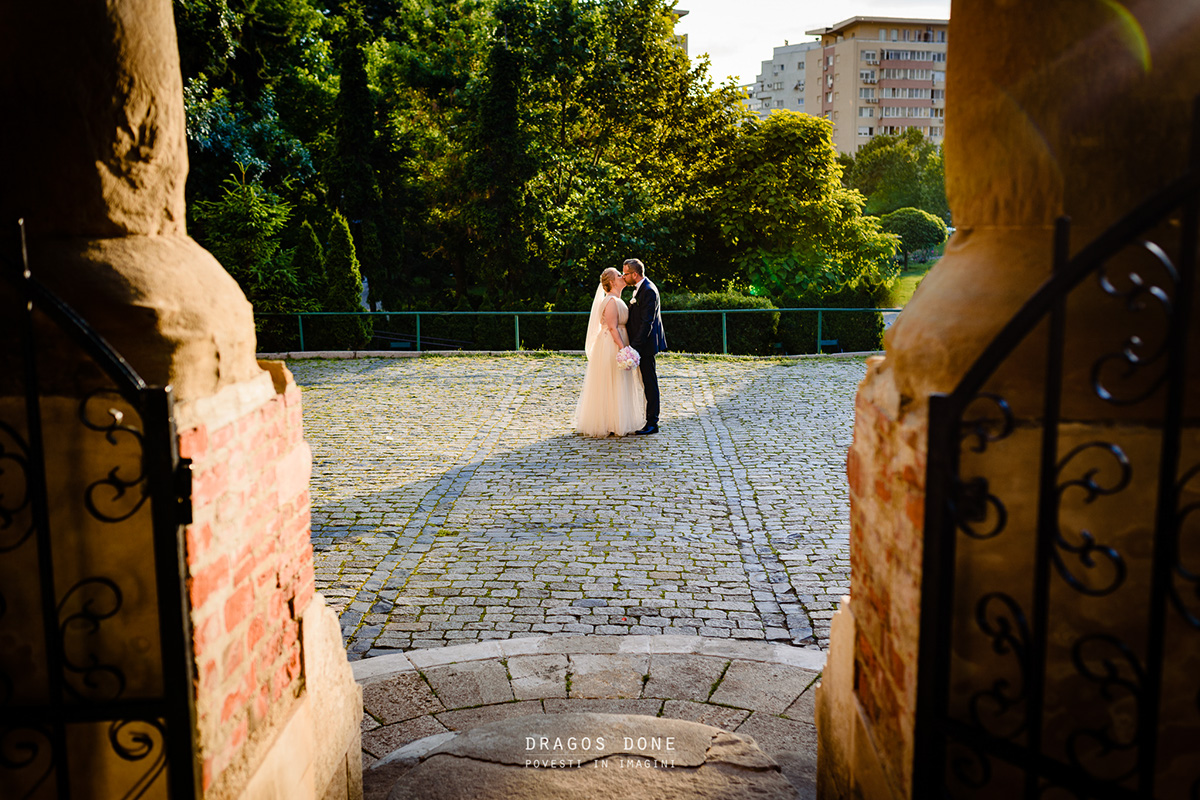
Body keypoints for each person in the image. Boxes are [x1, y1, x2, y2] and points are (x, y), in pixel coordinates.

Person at [574, 267, 647, 437]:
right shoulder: (611, 301)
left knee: (618, 382)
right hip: (612, 344)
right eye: (619, 275)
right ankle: (609, 422)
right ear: (613, 282)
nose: (623, 277)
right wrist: (624, 349)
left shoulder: (617, 299)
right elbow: (613, 328)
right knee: (612, 381)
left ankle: (616, 420)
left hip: (619, 341)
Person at [621, 258, 667, 434]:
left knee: (649, 382)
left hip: (646, 345)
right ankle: (648, 419)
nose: (623, 277)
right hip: (641, 343)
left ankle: (652, 423)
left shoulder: (648, 291)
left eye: (625, 273)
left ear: (635, 274)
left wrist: (634, 348)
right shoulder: (641, 289)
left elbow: (647, 323)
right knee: (646, 381)